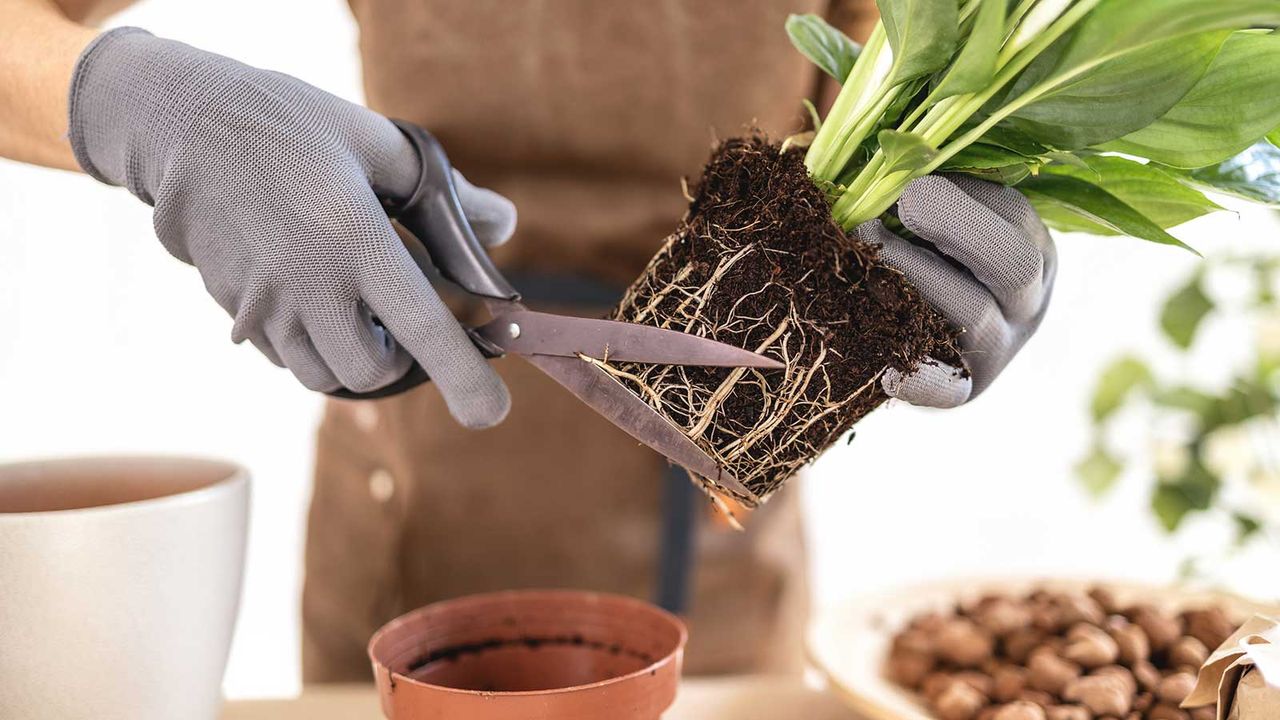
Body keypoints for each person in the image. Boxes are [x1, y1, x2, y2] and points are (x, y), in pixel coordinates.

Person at [1, 0, 1056, 679]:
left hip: (720, 532)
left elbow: (910, 91)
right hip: (407, 497)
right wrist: (146, 102)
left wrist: (951, 241)